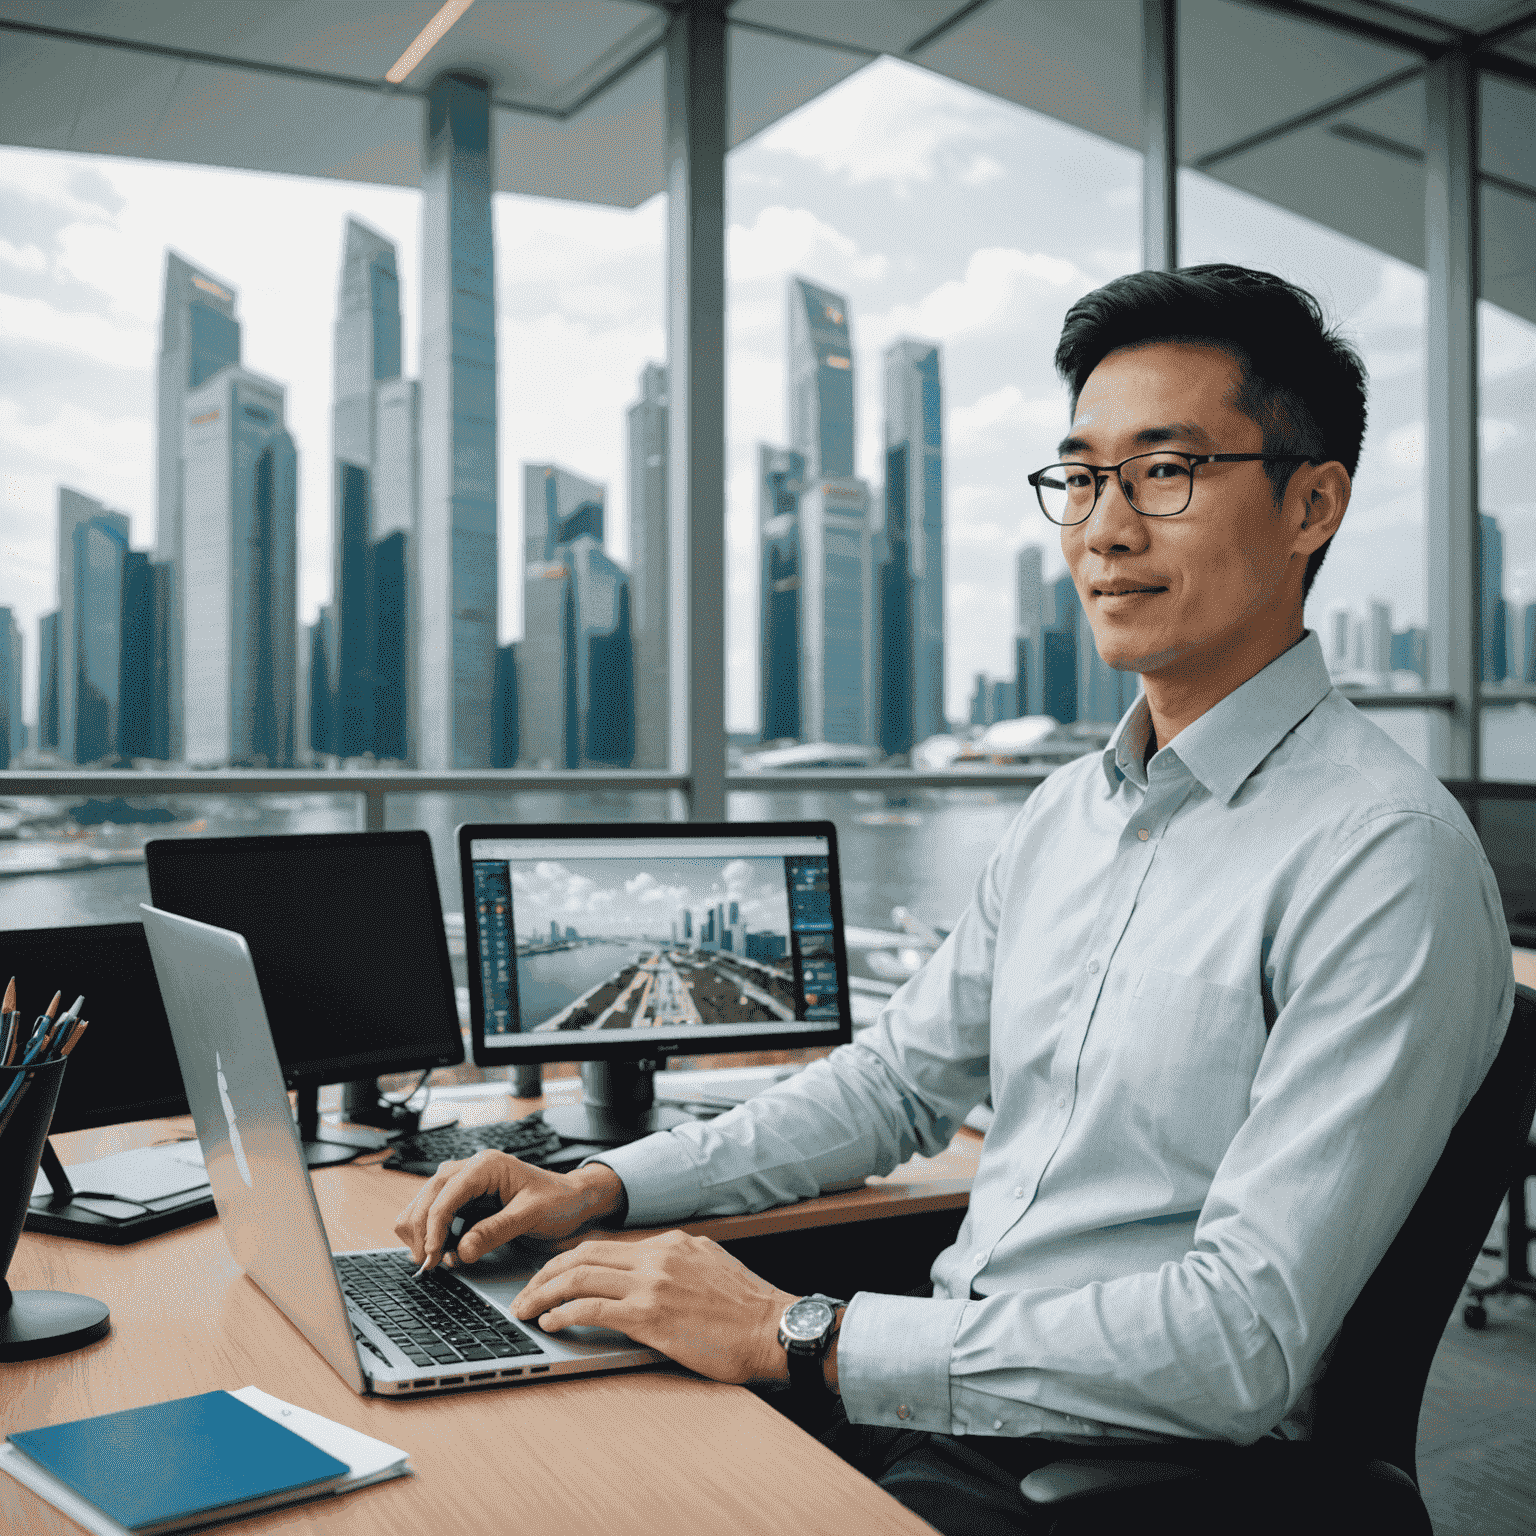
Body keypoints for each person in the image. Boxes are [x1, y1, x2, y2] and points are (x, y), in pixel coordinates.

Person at [397, 265, 1514, 1534]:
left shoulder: (1384, 858)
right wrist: (607, 1183)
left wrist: (791, 1328)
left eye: (1166, 471)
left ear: (1313, 502)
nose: (1105, 528)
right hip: (936, 1399)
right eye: (1081, 477)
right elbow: (895, 1088)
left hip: (1119, 1479)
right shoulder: (1067, 816)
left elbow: (1236, 1343)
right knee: (505, 1444)